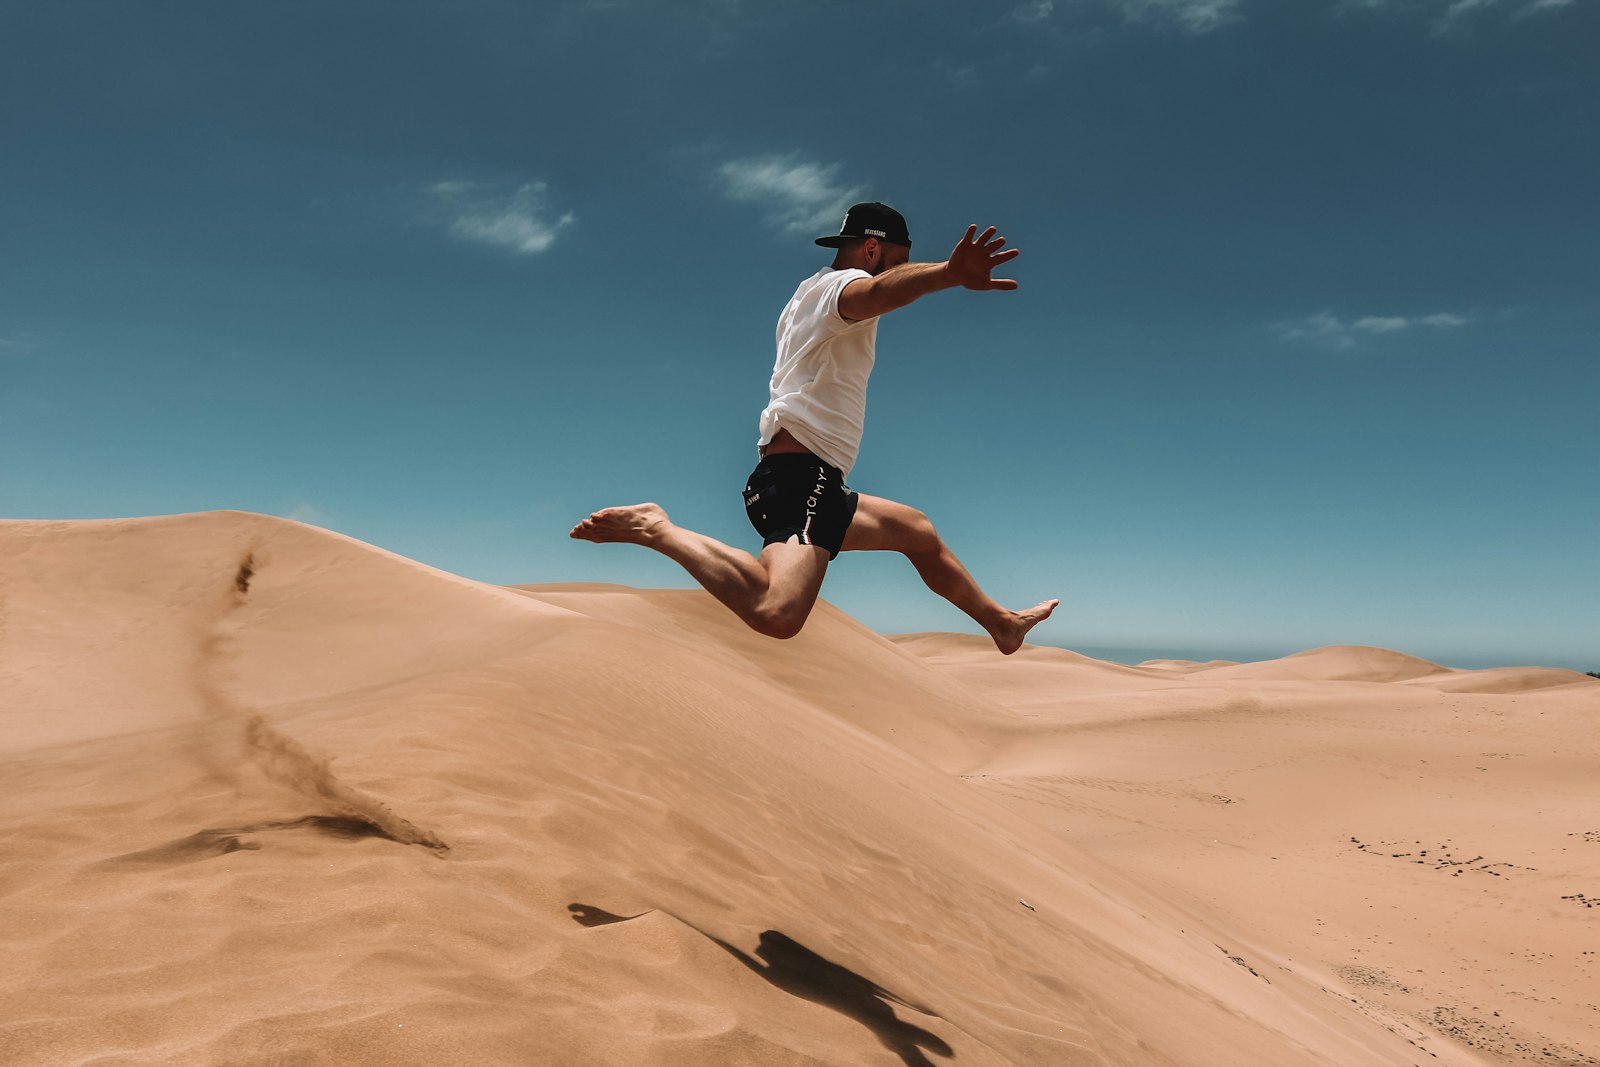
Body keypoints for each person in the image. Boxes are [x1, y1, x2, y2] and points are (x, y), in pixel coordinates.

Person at [571, 202, 1057, 654]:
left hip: (813, 479)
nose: (905, 268)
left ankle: (1000, 622)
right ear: (871, 250)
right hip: (800, 479)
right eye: (901, 259)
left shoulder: (807, 295)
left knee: (917, 531)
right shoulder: (838, 290)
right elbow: (877, 290)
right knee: (777, 613)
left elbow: (879, 288)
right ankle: (656, 528)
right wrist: (948, 274)